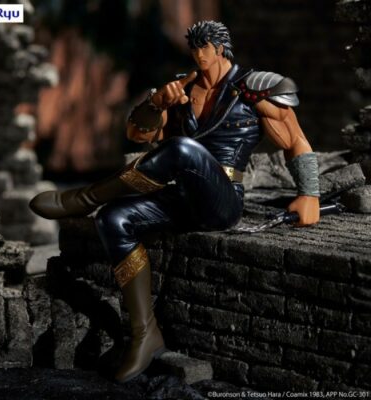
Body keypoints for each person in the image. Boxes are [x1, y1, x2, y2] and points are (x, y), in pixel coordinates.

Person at [29, 21, 320, 383]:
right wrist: (155, 104)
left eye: (204, 48)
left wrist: (309, 194)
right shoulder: (182, 88)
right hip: (182, 196)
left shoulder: (254, 88)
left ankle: (85, 197)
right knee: (113, 219)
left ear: (220, 48)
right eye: (193, 49)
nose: (198, 55)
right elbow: (138, 134)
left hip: (222, 202)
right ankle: (144, 334)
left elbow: (295, 139)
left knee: (182, 149)